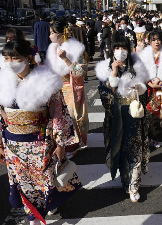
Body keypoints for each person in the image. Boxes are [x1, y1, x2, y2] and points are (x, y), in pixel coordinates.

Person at [0, 39, 81, 225]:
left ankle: (46, 205)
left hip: (40, 144)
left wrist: (60, 144)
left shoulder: (47, 81)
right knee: (25, 185)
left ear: (28, 58)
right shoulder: (1, 82)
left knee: (43, 182)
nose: (11, 62)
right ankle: (34, 218)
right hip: (14, 146)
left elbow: (59, 115)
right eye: (7, 58)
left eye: (15, 58)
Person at [95, 35, 149, 203]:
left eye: (124, 48)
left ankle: (134, 186)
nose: (121, 52)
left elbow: (144, 93)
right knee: (121, 151)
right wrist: (114, 73)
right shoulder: (105, 69)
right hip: (116, 116)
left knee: (135, 150)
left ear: (129, 50)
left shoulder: (137, 67)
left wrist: (139, 88)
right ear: (112, 51)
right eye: (117, 48)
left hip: (133, 115)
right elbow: (107, 97)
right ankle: (125, 181)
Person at [45, 20, 89, 159]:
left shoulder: (75, 49)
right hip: (56, 87)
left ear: (62, 33)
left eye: (53, 33)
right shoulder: (52, 48)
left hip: (70, 87)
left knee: (70, 116)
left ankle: (73, 145)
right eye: (50, 33)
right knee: (57, 117)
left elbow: (81, 72)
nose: (50, 36)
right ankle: (62, 144)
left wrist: (66, 60)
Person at [139, 31, 162, 148]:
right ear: (149, 42)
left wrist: (161, 81)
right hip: (149, 89)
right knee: (148, 113)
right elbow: (140, 72)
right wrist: (150, 82)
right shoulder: (143, 56)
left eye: (158, 39)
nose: (157, 42)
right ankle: (149, 137)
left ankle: (160, 137)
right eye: (153, 40)